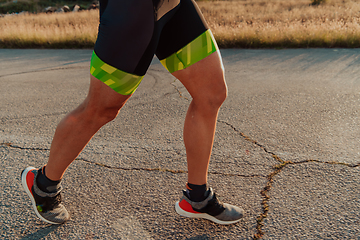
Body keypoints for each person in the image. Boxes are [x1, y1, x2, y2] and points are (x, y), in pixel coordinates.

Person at [21, 0, 244, 225]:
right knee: (102, 109)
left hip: (175, 5)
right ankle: (44, 185)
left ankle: (197, 197)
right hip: (131, 8)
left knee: (211, 94)